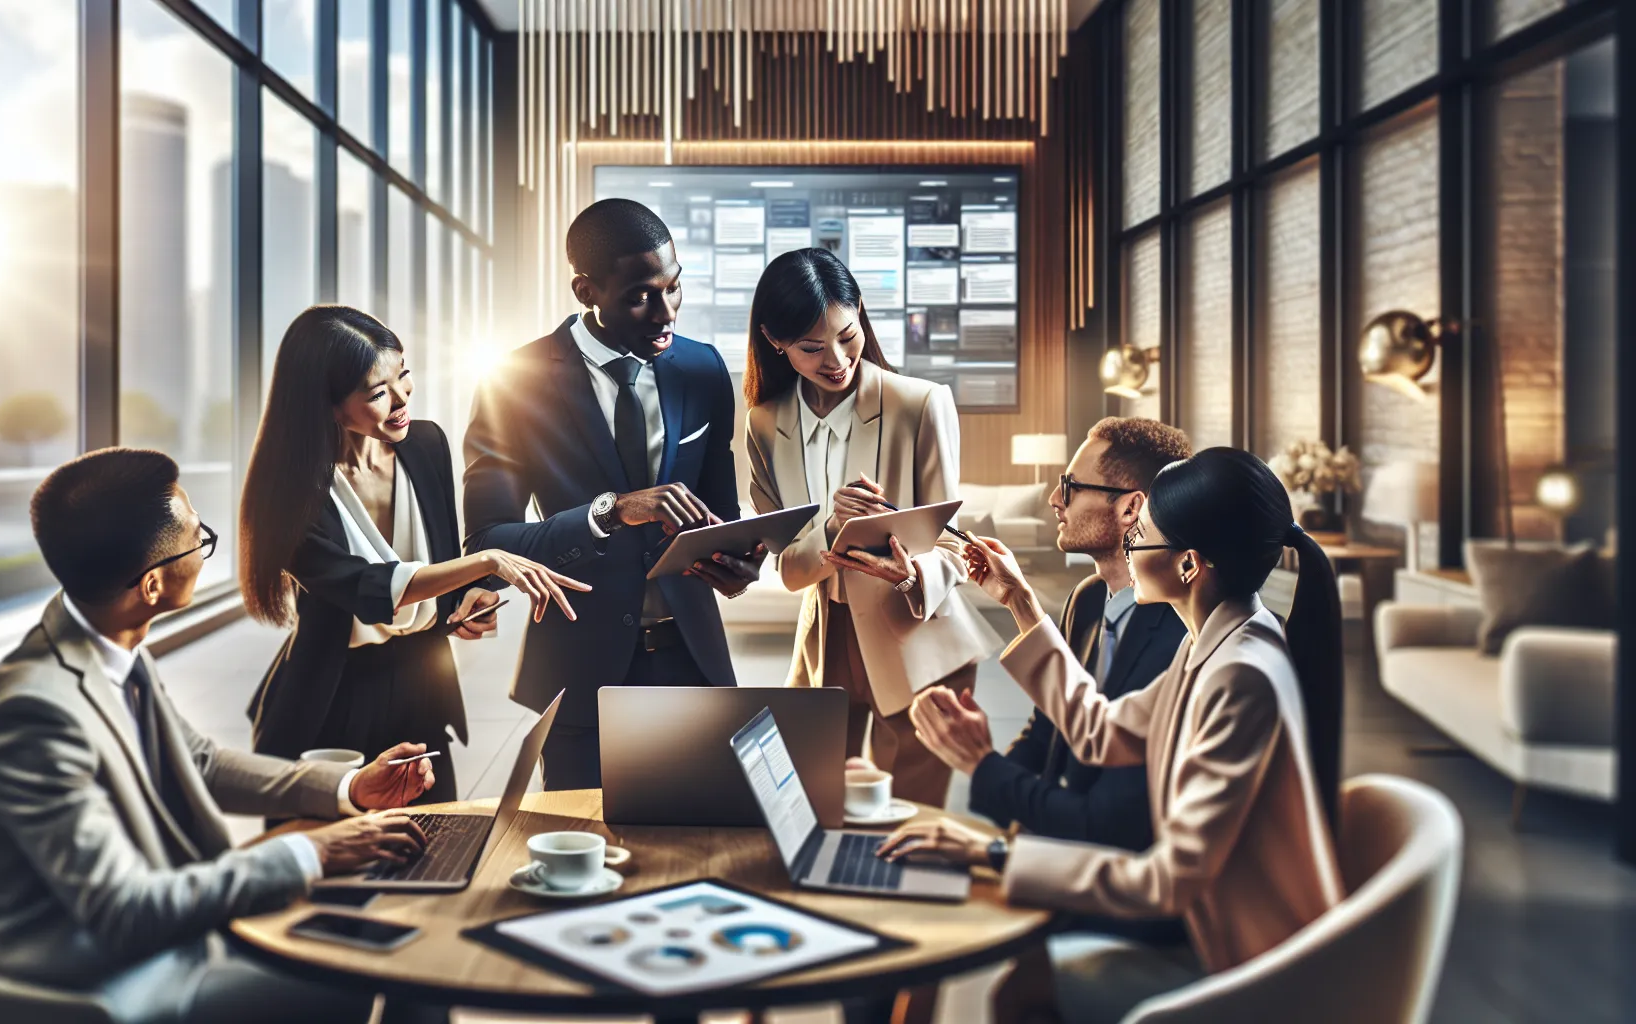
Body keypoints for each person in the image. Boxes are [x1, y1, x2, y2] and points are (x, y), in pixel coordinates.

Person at [0, 448, 442, 1022]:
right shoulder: (33, 718)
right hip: (105, 984)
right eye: (199, 539)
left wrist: (349, 789)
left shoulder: (104, 642)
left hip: (162, 936)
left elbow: (201, 762)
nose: (204, 546)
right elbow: (124, 909)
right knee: (386, 968)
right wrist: (308, 851)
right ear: (151, 585)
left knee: (399, 928)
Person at [885, 447, 1347, 1024]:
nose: (1128, 547)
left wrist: (994, 852)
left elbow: (1168, 880)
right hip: (1212, 926)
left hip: (1241, 964)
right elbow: (1102, 732)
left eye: (1141, 537)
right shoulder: (1221, 636)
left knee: (1015, 989)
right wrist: (1019, 602)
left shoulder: (1240, 677)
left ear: (1188, 566)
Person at [461, 199, 764, 790]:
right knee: (585, 862)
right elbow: (488, 547)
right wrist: (611, 513)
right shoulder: (512, 383)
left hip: (693, 662)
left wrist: (741, 560)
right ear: (585, 291)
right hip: (579, 672)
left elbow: (721, 517)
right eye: (640, 296)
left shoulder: (703, 371)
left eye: (675, 288)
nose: (665, 311)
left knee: (696, 850)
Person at [240, 305, 588, 802]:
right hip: (332, 699)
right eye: (379, 393)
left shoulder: (425, 443)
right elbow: (363, 588)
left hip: (423, 685)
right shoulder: (289, 490)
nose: (402, 399)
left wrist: (468, 599)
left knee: (436, 852)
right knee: (338, 868)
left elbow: (443, 552)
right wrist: (487, 563)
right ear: (328, 404)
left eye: (404, 376)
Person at [913, 418, 1191, 1024]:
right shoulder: (1090, 601)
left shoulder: (1180, 639)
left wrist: (980, 774)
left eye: (1070, 484)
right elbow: (1050, 735)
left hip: (1141, 901)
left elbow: (1110, 825)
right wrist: (978, 763)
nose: (1052, 499)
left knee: (992, 982)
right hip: (1082, 855)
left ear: (1130, 510)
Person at [743, 247, 988, 809]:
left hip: (917, 631)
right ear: (774, 340)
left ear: (860, 312)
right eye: (811, 347)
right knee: (812, 807)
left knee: (908, 821)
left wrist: (913, 572)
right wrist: (832, 526)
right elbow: (786, 566)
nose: (835, 359)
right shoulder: (764, 422)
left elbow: (951, 540)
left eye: (847, 336)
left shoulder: (920, 404)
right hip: (824, 637)